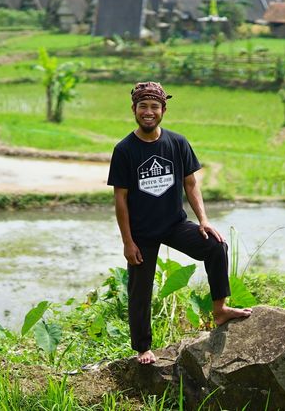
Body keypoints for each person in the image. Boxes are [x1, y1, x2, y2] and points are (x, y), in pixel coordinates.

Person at [107, 81, 252, 365]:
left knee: (215, 246)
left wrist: (204, 221)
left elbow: (191, 183)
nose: (148, 112)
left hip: (174, 224)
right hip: (142, 233)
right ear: (134, 109)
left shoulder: (177, 143)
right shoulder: (124, 150)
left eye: (154, 106)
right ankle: (142, 348)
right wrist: (127, 241)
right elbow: (120, 199)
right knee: (140, 289)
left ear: (163, 110)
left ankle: (220, 308)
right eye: (143, 106)